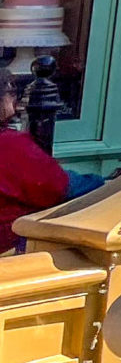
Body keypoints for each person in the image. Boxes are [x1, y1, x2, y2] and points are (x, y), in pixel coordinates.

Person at [0, 73, 70, 247]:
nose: (14, 97)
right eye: (10, 91)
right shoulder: (11, 145)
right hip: (12, 240)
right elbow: (56, 188)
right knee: (97, 186)